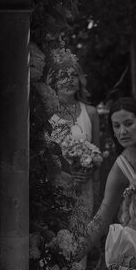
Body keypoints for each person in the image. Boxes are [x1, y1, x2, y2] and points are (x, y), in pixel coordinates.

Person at [81, 97, 136, 255]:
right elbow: (101, 220)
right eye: (116, 126)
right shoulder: (121, 167)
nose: (122, 131)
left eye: (128, 124)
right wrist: (70, 255)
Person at [49, 56, 102, 220]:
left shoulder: (91, 112)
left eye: (73, 75)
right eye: (63, 76)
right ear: (53, 82)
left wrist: (90, 172)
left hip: (84, 186)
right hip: (54, 186)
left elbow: (97, 153)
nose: (69, 80)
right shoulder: (46, 114)